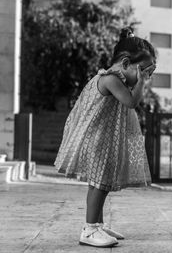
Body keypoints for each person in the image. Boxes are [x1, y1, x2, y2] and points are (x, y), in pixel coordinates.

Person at [54, 27, 156, 248]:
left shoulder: (112, 77)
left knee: (100, 184)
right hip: (98, 141)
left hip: (103, 140)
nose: (147, 77)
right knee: (100, 185)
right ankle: (89, 229)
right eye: (145, 71)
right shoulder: (111, 79)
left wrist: (139, 79)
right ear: (126, 63)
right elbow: (131, 102)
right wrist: (141, 83)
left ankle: (97, 224)